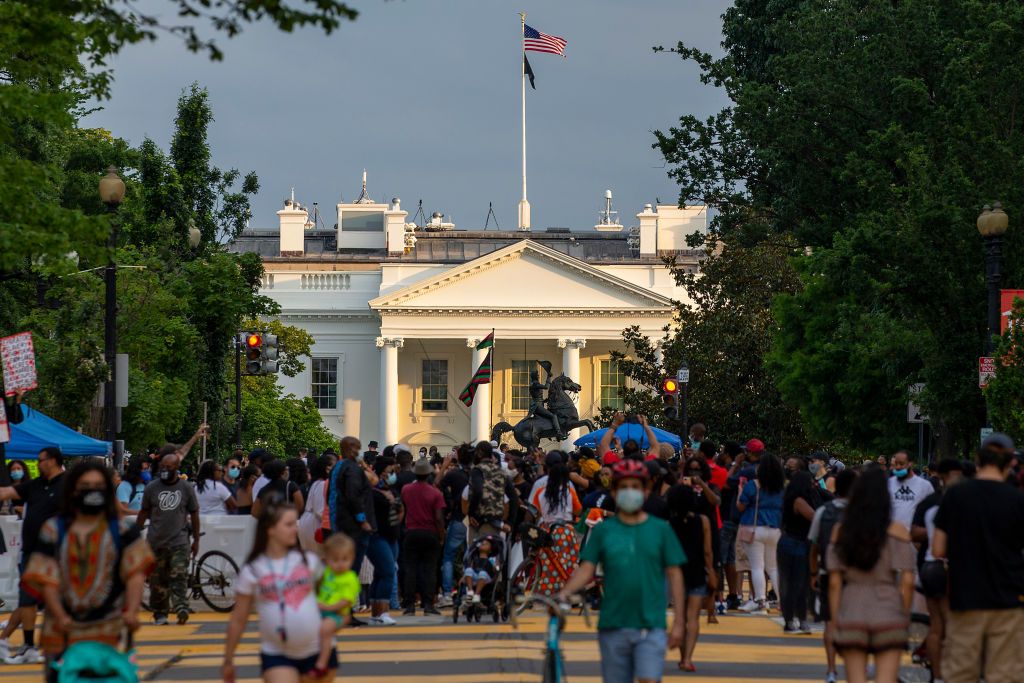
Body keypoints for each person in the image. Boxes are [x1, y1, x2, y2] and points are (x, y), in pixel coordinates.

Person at [21, 459, 152, 682]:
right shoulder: (53, 529)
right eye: (85, 486)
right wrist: (61, 616)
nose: (92, 492)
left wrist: (132, 612)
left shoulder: (123, 529)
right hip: (63, 630)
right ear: (72, 490)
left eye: (98, 486)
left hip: (111, 626)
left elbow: (136, 574)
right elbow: (46, 578)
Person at [558, 459, 685, 683]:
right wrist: (565, 593)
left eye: (635, 487)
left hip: (651, 625)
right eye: (623, 487)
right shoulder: (603, 532)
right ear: (614, 493)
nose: (630, 492)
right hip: (613, 625)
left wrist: (679, 623)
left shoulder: (661, 531)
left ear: (645, 492)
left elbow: (675, 574)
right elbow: (586, 569)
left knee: (648, 679)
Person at [932, 433, 1024, 683]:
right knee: (1005, 675)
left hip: (966, 598)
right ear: (1010, 463)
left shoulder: (956, 495)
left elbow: (938, 548)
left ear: (977, 459)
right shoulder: (1017, 500)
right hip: (1009, 600)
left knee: (961, 673)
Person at [223, 503, 337, 683]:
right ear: (270, 529)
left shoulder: (310, 561)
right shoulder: (253, 569)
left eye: (295, 523)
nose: (295, 529)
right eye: (289, 524)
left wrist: (338, 617)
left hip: (318, 651)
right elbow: (238, 618)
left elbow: (331, 598)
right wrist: (228, 659)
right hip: (277, 653)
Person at [828, 467, 916, 683]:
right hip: (888, 610)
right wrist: (903, 614)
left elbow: (834, 582)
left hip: (852, 609)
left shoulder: (841, 531)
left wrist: (835, 617)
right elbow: (907, 580)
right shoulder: (898, 531)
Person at [0, 446, 66, 664]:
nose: (38, 464)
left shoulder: (68, 485)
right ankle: (28, 645)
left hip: (56, 553)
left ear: (55, 461)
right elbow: (6, 493)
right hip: (31, 552)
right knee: (26, 600)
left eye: (42, 460)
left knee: (54, 600)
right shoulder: (36, 485)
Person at [327, 436, 394, 625]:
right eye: (357, 447)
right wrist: (362, 520)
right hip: (354, 527)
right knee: (351, 570)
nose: (359, 450)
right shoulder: (351, 469)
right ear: (351, 449)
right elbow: (354, 496)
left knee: (348, 570)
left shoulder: (338, 468)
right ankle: (345, 612)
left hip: (341, 523)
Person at [911, 458, 964, 683]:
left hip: (930, 566)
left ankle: (938, 677)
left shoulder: (929, 502)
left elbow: (914, 532)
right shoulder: (960, 501)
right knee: (953, 625)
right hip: (949, 566)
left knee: (936, 625)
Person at [136, 452, 200, 626]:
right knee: (158, 579)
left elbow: (194, 513)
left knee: (179, 575)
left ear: (177, 469)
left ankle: (181, 607)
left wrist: (196, 539)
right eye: (163, 467)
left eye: (169, 467)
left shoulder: (186, 488)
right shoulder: (152, 488)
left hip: (179, 541)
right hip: (156, 542)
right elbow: (143, 512)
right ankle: (160, 613)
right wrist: (135, 534)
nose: (165, 470)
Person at [809, 468, 857, 683]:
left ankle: (831, 670)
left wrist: (813, 572)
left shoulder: (823, 511)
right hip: (857, 575)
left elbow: (814, 545)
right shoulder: (862, 514)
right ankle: (853, 667)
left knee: (830, 622)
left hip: (828, 571)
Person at [666, 483, 714, 672]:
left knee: (680, 617)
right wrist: (711, 570)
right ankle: (687, 659)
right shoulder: (703, 521)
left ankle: (681, 655)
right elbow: (708, 551)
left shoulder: (668, 524)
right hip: (697, 571)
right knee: (693, 617)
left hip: (676, 573)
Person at [527, 451, 583, 596]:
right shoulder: (569, 486)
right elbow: (578, 511)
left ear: (546, 467)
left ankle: (548, 591)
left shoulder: (540, 486)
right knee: (566, 564)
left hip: (546, 531)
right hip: (565, 532)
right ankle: (566, 593)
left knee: (547, 563)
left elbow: (532, 511)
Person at [735, 452, 785, 614]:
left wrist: (740, 492)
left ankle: (760, 600)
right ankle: (782, 600)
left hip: (754, 528)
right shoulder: (780, 488)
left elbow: (741, 507)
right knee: (773, 567)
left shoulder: (753, 485)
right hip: (775, 529)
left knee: (757, 567)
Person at [312, 533, 360, 678]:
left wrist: (326, 607)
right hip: (321, 610)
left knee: (326, 630)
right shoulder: (327, 573)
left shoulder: (350, 578)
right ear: (327, 560)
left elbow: (345, 601)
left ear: (352, 559)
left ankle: (322, 663)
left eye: (345, 559)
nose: (340, 564)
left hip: (336, 614)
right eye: (335, 560)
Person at [401, 458, 445, 615]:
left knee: (410, 569)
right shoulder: (435, 493)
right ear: (428, 473)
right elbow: (439, 518)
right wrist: (441, 536)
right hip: (430, 533)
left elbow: (403, 509)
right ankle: (428, 604)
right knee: (430, 569)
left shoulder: (406, 489)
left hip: (411, 532)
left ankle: (410, 605)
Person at [778, 470, 820, 633]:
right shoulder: (799, 500)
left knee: (789, 584)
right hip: (797, 544)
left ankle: (791, 620)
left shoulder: (790, 498)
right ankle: (799, 619)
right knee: (798, 584)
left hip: (788, 541)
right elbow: (813, 516)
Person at [437, 444, 472, 606]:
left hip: (458, 518)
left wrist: (444, 467)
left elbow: (437, 485)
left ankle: (447, 593)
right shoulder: (477, 473)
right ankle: (466, 592)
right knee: (468, 557)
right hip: (473, 520)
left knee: (449, 557)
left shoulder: (454, 474)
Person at [718, 441, 744, 610]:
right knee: (730, 559)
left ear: (727, 454)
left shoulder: (731, 470)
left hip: (725, 517)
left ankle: (719, 595)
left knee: (719, 558)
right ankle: (733, 594)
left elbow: (725, 483)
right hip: (736, 519)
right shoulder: (744, 470)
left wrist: (734, 465)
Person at [887, 450, 933, 531]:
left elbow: (932, 511)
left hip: (914, 537)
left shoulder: (925, 485)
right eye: (895, 464)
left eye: (901, 464)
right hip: (892, 536)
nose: (897, 467)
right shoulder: (889, 483)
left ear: (910, 463)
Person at [299, 454, 335, 553]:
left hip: (308, 521)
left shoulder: (316, 483)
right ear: (327, 468)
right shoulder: (323, 484)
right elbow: (320, 511)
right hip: (315, 523)